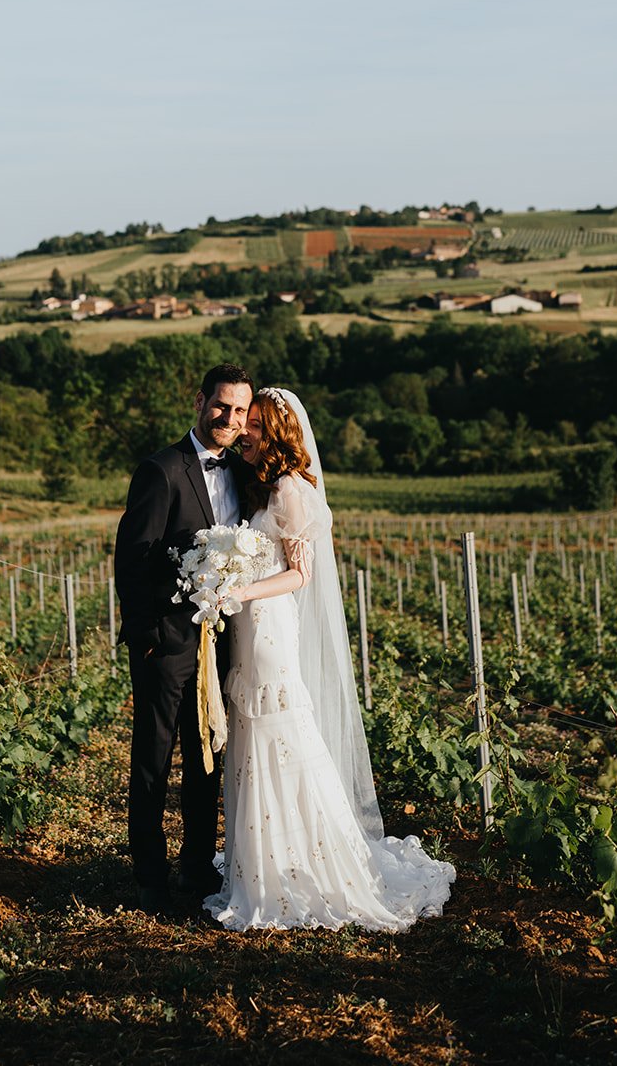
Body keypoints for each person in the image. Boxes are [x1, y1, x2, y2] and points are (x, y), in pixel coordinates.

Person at [204, 386, 456, 931]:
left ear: (275, 431)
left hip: (269, 629)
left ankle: (313, 866)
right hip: (245, 629)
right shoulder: (259, 487)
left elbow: (300, 574)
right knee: (250, 737)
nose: (243, 430)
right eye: (242, 421)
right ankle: (259, 865)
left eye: (253, 423)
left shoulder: (293, 489)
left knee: (283, 733)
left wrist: (239, 591)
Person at [114, 362, 253, 914]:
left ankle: (196, 867)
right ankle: (149, 876)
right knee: (152, 760)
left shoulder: (243, 472)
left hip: (220, 643)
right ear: (199, 402)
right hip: (165, 644)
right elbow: (133, 557)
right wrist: (147, 637)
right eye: (221, 405)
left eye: (240, 410)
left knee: (206, 759)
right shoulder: (162, 469)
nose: (229, 418)